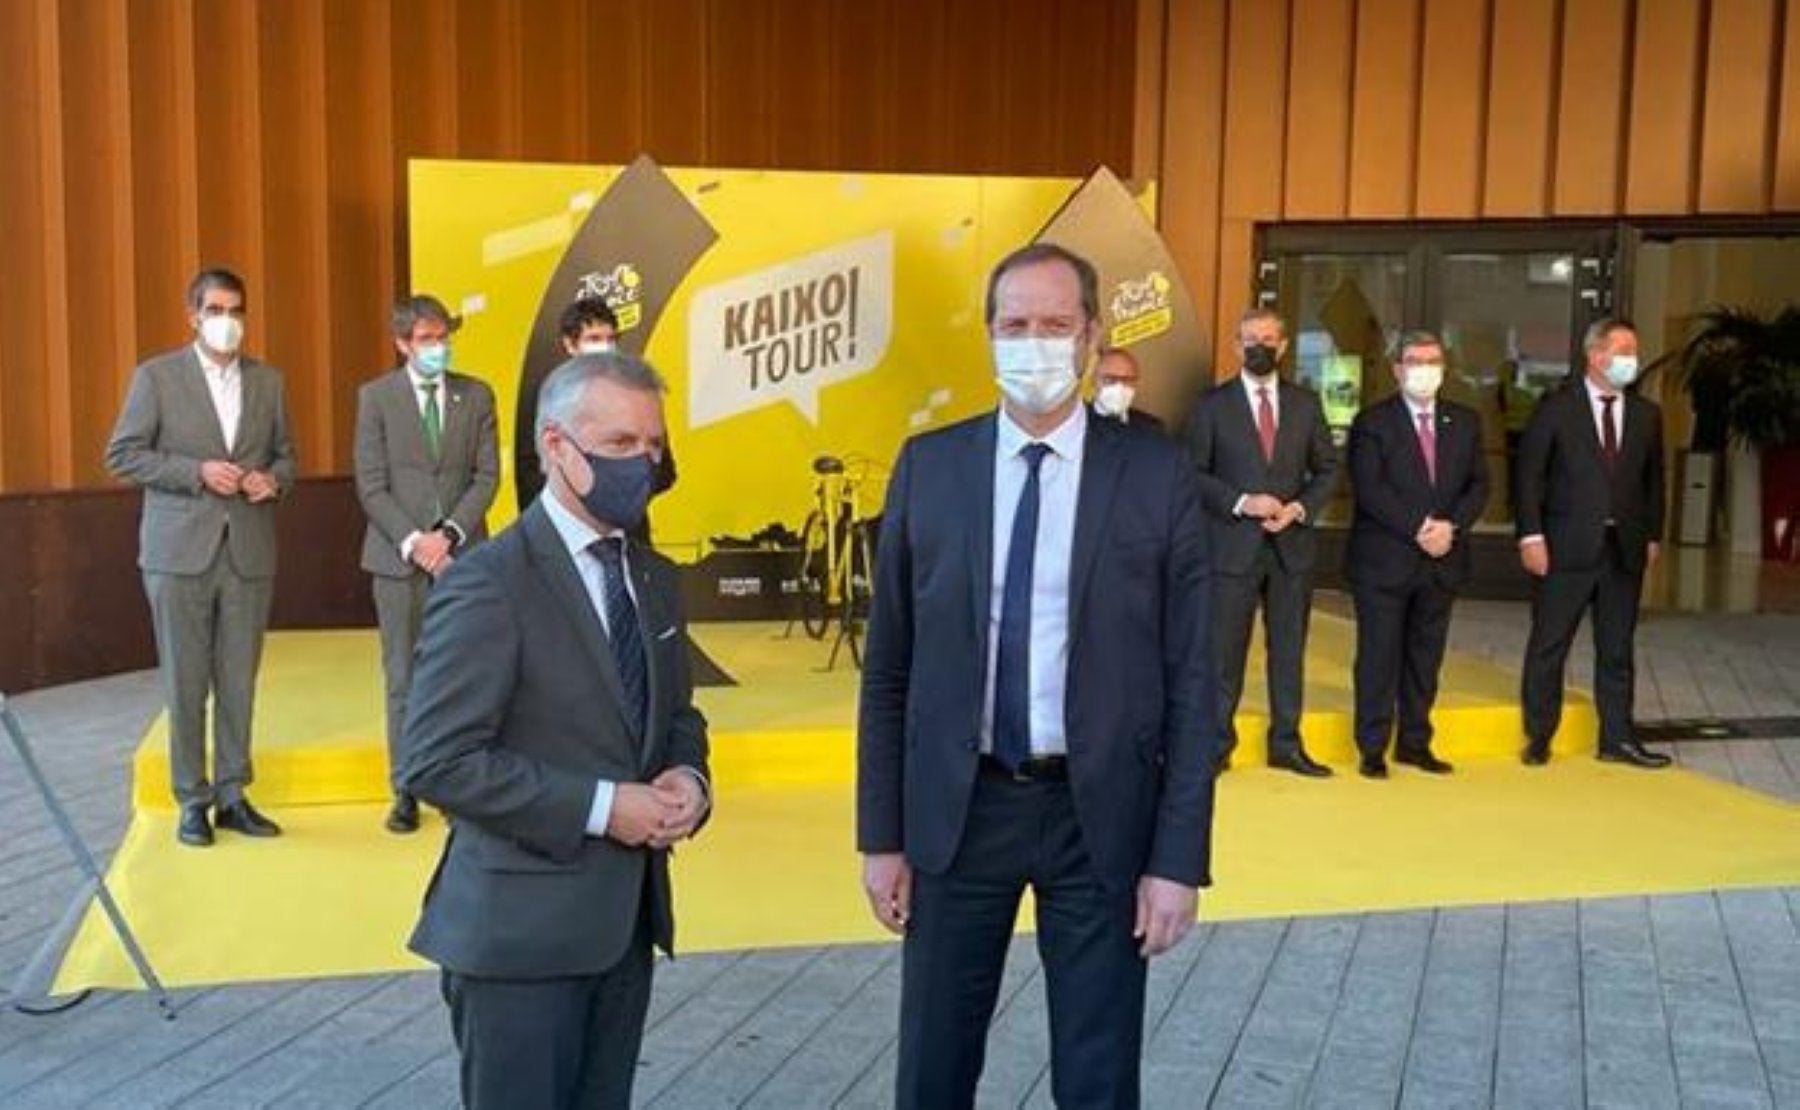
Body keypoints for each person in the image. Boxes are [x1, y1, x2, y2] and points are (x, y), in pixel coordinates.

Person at [858, 242, 1215, 1109]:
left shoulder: (1156, 474)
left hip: (1102, 819)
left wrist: (1178, 860)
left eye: (1056, 324)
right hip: (959, 811)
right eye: (1015, 324)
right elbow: (890, 670)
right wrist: (882, 837)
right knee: (933, 1069)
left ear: (1091, 336)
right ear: (988, 334)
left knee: (1099, 1076)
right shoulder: (930, 468)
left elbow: (1194, 682)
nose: (1034, 343)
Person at [399, 351, 711, 1109]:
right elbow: (436, 761)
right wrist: (605, 807)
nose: (642, 464)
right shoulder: (488, 583)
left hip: (624, 933)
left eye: (653, 445)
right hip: (518, 946)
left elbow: (676, 714)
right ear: (556, 447)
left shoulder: (654, 577)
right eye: (619, 444)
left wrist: (688, 777)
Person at [104, 267, 296, 847]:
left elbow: (287, 456)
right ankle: (192, 798)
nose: (227, 321)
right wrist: (196, 472)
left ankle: (233, 794)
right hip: (178, 553)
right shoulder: (157, 377)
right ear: (193, 316)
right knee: (185, 683)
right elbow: (122, 454)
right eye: (215, 310)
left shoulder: (269, 381)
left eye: (236, 310)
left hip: (248, 551)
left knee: (238, 681)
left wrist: (273, 481)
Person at [352, 295, 499, 833]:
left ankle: (460, 787)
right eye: (426, 339)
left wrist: (450, 535)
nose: (438, 347)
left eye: (443, 338)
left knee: (464, 675)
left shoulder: (476, 395)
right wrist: (417, 542)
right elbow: (371, 483)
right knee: (403, 678)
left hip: (464, 558)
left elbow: (487, 476)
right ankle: (407, 787)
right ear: (402, 344)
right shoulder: (375, 398)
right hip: (398, 561)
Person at [1183, 308, 1339, 776]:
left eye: (1269, 339)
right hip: (1231, 549)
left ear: (1284, 346)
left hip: (1291, 549)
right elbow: (1192, 472)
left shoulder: (1305, 404)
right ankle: (1216, 745)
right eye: (1251, 339)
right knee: (1224, 656)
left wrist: (1299, 508)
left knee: (1288, 653)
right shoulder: (1211, 405)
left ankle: (1286, 744)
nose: (1260, 347)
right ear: (1236, 345)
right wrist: (1242, 502)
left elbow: (1328, 468)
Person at [1517, 317, 1669, 768]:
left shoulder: (1646, 414)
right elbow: (1529, 476)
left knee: (1617, 648)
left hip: (1624, 548)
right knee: (1550, 644)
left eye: (1633, 353)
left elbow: (1654, 482)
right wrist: (1530, 535)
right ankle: (1539, 735)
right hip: (1565, 546)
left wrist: (1653, 535)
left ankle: (1618, 739)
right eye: (1622, 352)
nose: (1631, 361)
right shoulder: (1556, 408)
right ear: (1595, 355)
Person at [1345, 331, 1490, 778]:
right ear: (1397, 369)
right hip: (1385, 560)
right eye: (1414, 360)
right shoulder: (1373, 422)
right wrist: (1419, 528)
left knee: (1425, 657)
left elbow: (1479, 484)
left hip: (1442, 559)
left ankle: (1414, 742)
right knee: (1379, 656)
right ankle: (1372, 746)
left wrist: (1452, 526)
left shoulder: (1464, 421)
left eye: (1433, 361)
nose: (1424, 369)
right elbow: (1370, 488)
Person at [514, 298, 676, 518]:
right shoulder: (548, 397)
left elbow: (664, 471)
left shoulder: (637, 392)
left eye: (611, 339)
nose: (604, 347)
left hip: (628, 526)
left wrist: (626, 491)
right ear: (570, 345)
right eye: (594, 339)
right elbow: (531, 473)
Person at [1090, 345, 1163, 430]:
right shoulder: (1079, 423)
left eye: (1127, 380)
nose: (1119, 387)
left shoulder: (1152, 427)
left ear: (1137, 383)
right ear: (1094, 381)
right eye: (1110, 379)